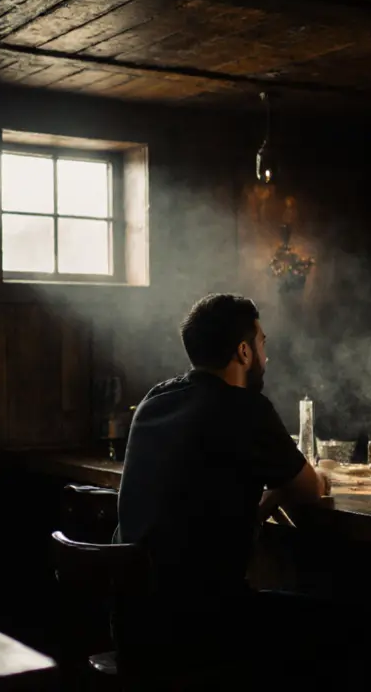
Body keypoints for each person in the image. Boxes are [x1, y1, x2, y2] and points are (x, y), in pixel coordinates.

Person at [114, 293, 329, 687]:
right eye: (263, 342)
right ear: (244, 352)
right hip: (201, 626)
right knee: (340, 625)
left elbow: (199, 509)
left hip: (134, 622)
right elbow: (312, 488)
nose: (267, 354)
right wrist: (284, 484)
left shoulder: (155, 399)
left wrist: (271, 495)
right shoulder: (246, 408)